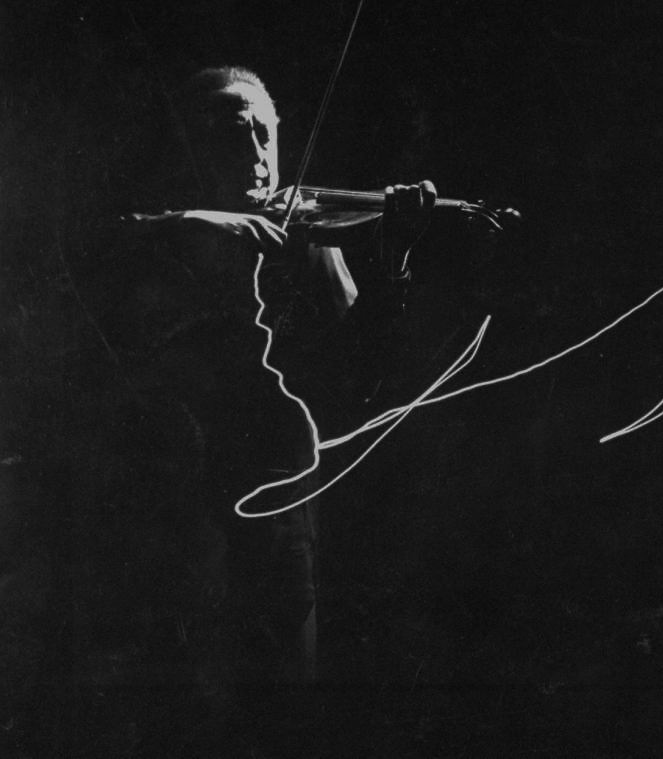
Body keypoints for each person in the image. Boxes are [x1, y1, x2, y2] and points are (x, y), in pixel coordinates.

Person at [79, 66, 437, 753]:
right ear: (189, 143)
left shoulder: (307, 241)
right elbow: (91, 261)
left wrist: (393, 259)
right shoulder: (151, 240)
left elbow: (359, 371)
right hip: (167, 512)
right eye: (230, 129)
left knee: (278, 700)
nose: (254, 150)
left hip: (279, 506)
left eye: (263, 132)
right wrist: (192, 222)